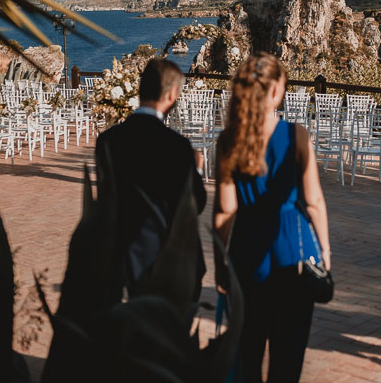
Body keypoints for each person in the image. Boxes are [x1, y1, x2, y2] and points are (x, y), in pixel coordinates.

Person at [214, 52, 331, 383]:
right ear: (277, 91)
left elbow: (224, 210)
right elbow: (314, 201)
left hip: (246, 253)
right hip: (293, 252)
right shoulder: (297, 136)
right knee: (288, 360)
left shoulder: (227, 140)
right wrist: (325, 251)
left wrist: (221, 263)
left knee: (247, 354)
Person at [94, 58, 206, 298]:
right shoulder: (178, 147)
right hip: (167, 260)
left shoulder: (108, 141)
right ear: (172, 94)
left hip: (120, 260)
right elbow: (195, 204)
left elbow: (106, 200)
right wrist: (197, 168)